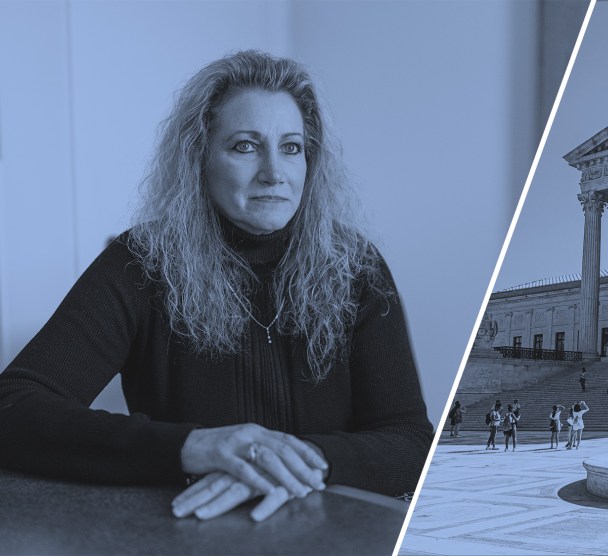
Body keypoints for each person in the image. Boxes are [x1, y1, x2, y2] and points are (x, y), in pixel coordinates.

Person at [0, 51, 433, 523]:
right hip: (188, 534)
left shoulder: (358, 268)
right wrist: (193, 447)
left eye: (291, 147)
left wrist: (286, 461)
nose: (274, 172)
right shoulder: (140, 262)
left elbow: (411, 442)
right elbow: (13, 408)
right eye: (245, 146)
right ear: (200, 157)